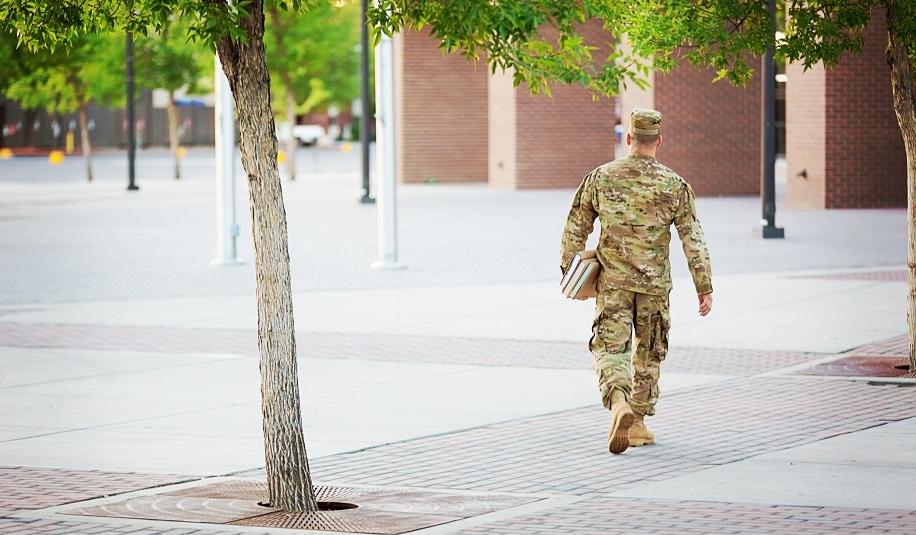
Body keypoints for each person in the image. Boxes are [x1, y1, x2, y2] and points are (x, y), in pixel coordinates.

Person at [560, 108, 713, 454]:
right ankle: (639, 424)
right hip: (654, 287)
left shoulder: (601, 178)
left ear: (628, 138)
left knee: (610, 348)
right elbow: (694, 239)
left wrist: (569, 273)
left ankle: (619, 404)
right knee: (648, 352)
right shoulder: (674, 185)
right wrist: (704, 286)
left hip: (612, 283)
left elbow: (575, 228)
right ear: (658, 140)